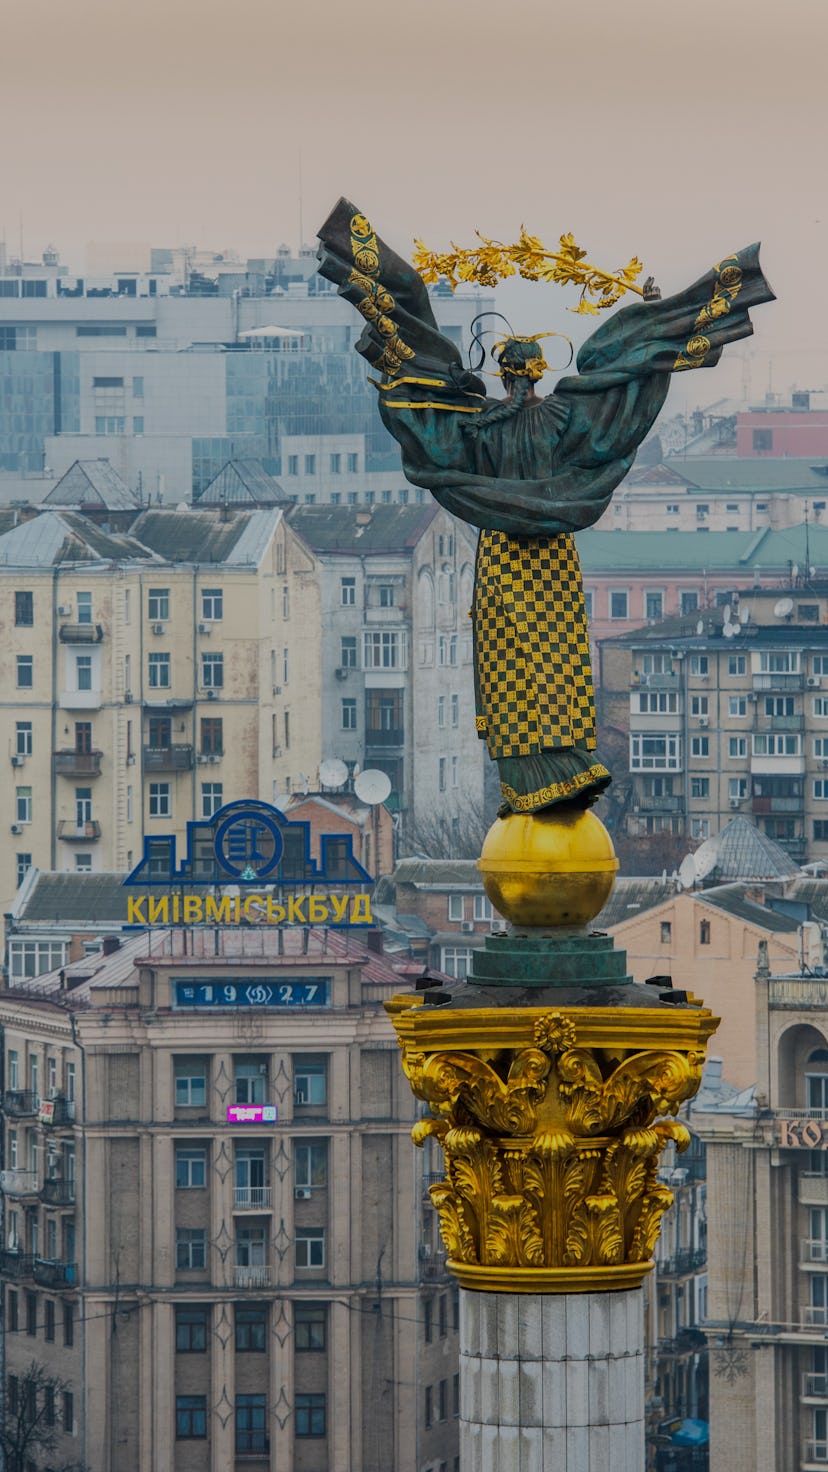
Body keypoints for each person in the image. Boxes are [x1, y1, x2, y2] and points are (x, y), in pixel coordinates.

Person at [317, 199, 775, 814]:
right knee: (555, 652)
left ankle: (529, 778)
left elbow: (421, 413)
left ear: (505, 375)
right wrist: (651, 324)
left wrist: (409, 358)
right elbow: (627, 400)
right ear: (539, 370)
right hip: (554, 559)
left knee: (509, 659)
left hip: (504, 559)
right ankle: (565, 765)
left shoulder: (477, 428)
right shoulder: (571, 417)